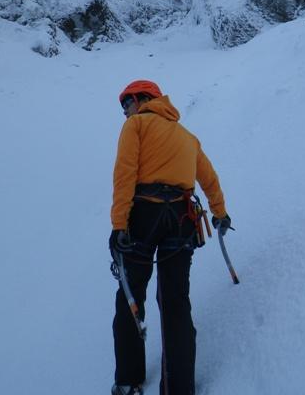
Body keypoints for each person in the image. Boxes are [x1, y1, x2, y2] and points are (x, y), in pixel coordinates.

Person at [109, 79, 231, 395]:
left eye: (127, 103)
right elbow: (209, 179)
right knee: (175, 300)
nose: (125, 111)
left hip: (143, 216)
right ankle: (179, 388)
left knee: (131, 293)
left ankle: (129, 380)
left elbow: (125, 175)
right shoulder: (187, 137)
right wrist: (220, 213)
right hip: (181, 218)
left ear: (143, 98)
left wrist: (119, 225)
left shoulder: (136, 126)